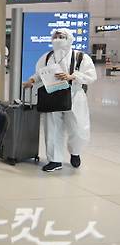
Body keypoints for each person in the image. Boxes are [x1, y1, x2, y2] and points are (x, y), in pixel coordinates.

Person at [23, 28, 97, 172]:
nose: (57, 38)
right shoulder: (47, 56)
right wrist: (31, 80)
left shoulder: (80, 57)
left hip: (74, 97)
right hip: (52, 96)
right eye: (55, 36)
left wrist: (72, 76)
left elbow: (91, 76)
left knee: (78, 128)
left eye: (61, 36)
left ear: (69, 38)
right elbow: (40, 73)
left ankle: (75, 152)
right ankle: (55, 160)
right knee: (52, 128)